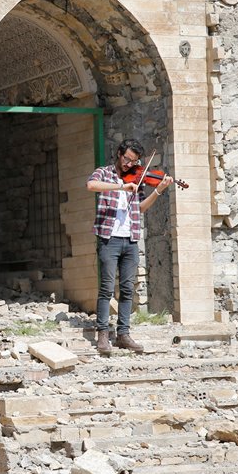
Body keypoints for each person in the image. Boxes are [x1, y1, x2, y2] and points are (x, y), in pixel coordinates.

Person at [86, 139, 172, 355]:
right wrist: (121, 186)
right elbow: (91, 185)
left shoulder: (137, 178)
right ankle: (102, 334)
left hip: (131, 239)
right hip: (109, 238)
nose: (129, 165)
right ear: (119, 153)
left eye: (134, 162)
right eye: (127, 159)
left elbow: (140, 208)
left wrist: (158, 190)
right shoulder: (104, 173)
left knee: (127, 289)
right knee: (107, 288)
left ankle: (123, 334)